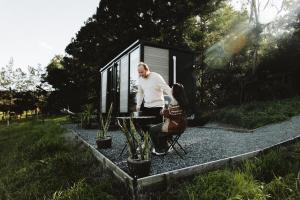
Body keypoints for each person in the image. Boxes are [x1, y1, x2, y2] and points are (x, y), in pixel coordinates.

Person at [149, 83, 188, 155]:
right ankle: (165, 146)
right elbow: (174, 113)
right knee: (158, 130)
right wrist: (166, 110)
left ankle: (159, 150)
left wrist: (163, 112)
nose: (171, 90)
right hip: (181, 125)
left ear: (174, 91)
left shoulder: (174, 102)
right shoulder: (182, 101)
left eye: (172, 89)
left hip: (173, 125)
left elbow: (170, 115)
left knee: (152, 129)